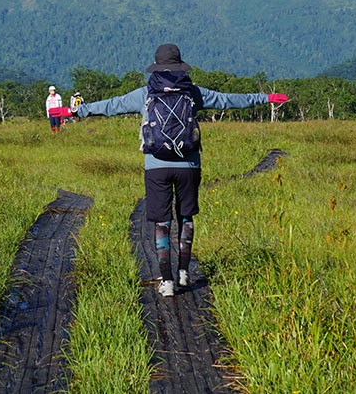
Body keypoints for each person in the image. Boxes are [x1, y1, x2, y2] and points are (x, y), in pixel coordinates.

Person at [75, 43, 288, 298]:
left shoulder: (145, 93)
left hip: (156, 166)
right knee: (186, 217)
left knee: (162, 222)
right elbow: (229, 100)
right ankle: (184, 272)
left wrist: (80, 109)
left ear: (155, 66)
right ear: (180, 65)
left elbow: (111, 105)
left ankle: (166, 281)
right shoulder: (193, 92)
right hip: (189, 165)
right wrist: (265, 98)